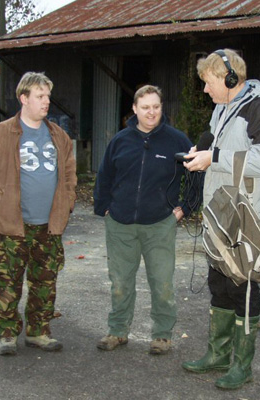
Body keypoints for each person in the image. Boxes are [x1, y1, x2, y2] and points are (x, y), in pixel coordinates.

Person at [181, 49, 260, 389]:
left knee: (244, 286)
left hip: (248, 216)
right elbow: (213, 145)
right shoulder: (222, 109)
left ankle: (243, 365)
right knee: (219, 283)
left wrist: (215, 157)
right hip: (220, 213)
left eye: (208, 83)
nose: (206, 90)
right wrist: (199, 152)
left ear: (228, 79)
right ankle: (218, 354)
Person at [0, 72, 77, 356]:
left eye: (47, 96)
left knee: (45, 282)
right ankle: (7, 335)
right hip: (13, 226)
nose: (46, 102)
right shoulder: (0, 134)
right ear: (24, 99)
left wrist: (68, 200)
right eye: (40, 97)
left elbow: (69, 172)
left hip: (48, 226)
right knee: (8, 282)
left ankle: (38, 332)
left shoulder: (59, 136)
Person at [93, 85, 199, 355]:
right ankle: (118, 331)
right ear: (134, 109)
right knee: (120, 282)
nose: (151, 112)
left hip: (159, 225)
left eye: (156, 106)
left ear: (161, 108)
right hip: (120, 225)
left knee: (162, 282)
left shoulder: (176, 140)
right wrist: (104, 207)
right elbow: (105, 175)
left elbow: (197, 173)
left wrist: (186, 207)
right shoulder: (120, 140)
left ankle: (162, 335)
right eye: (145, 107)